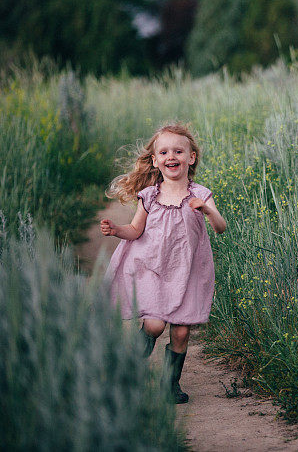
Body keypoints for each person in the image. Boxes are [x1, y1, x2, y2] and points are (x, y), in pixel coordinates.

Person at [100, 122, 226, 404]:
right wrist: (116, 230)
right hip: (155, 270)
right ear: (155, 160)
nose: (172, 156)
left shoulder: (201, 194)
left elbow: (220, 226)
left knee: (181, 332)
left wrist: (206, 210)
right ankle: (126, 371)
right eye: (165, 151)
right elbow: (135, 230)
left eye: (179, 151)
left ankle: (170, 385)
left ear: (191, 157)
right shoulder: (149, 196)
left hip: (190, 272)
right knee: (155, 326)